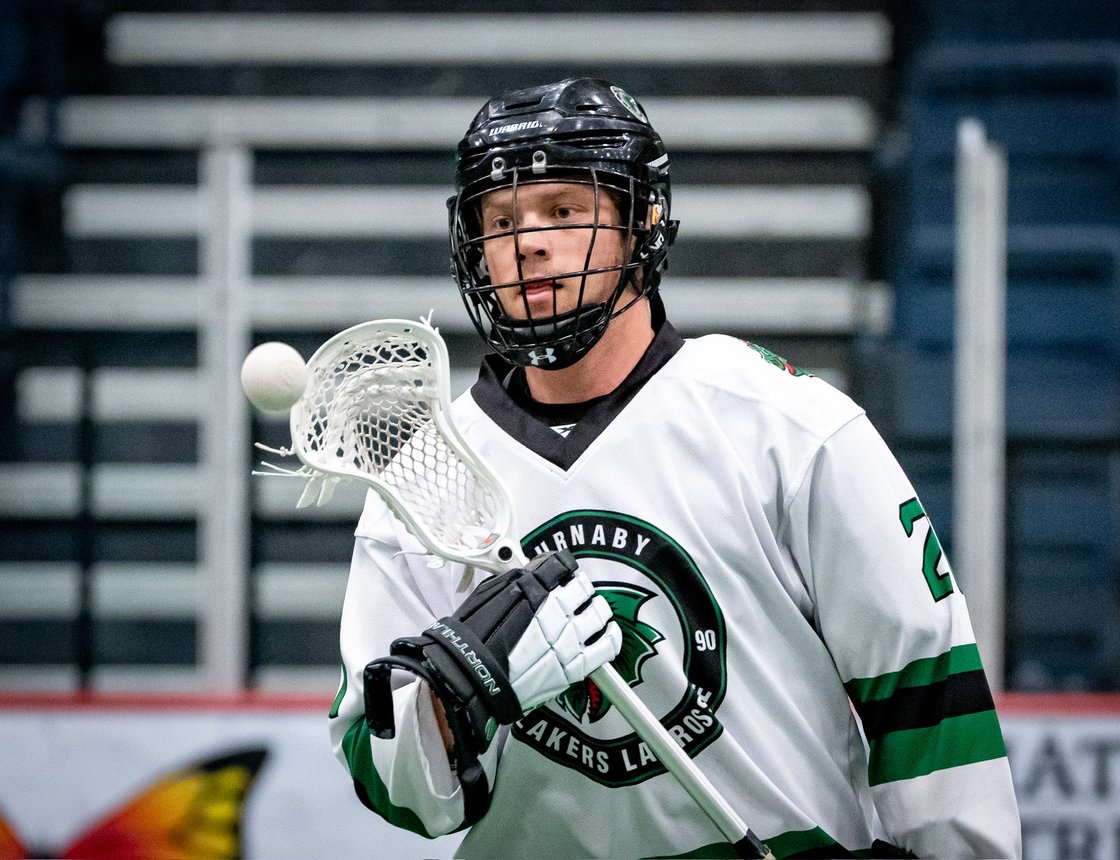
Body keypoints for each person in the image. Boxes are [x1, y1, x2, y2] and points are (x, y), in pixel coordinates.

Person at [328, 77, 1022, 859]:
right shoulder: (427, 476)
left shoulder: (785, 427)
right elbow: (385, 778)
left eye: (563, 210)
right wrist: (455, 707)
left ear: (641, 223)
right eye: (501, 219)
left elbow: (923, 689)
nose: (527, 242)